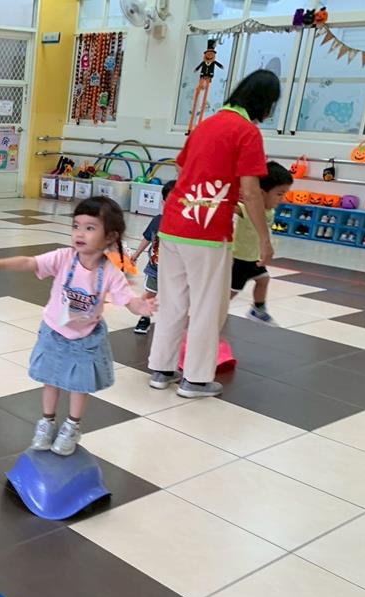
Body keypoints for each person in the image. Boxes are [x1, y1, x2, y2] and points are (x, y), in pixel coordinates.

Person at [0, 197, 156, 456]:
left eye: (90, 228)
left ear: (110, 236)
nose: (79, 233)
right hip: (54, 330)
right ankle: (46, 422)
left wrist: (141, 306)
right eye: (76, 226)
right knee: (50, 379)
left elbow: (128, 300)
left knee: (79, 385)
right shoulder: (64, 257)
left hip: (86, 338)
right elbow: (30, 263)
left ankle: (72, 426)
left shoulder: (110, 272)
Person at [148, 69, 279, 399]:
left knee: (172, 301)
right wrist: (264, 239)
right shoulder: (247, 132)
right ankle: (195, 379)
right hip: (207, 233)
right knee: (208, 306)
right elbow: (252, 192)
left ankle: (161, 370)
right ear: (265, 103)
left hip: (173, 223)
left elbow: (181, 167)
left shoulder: (207, 124)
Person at [231, 161, 292, 325]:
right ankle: (213, 311)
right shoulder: (245, 208)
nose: (282, 198)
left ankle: (258, 310)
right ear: (261, 193)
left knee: (263, 279)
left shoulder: (269, 210)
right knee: (231, 292)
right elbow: (230, 206)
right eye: (279, 194)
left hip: (253, 258)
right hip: (239, 259)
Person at [129, 180, 176, 335]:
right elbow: (147, 238)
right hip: (155, 268)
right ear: (163, 203)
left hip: (176, 271)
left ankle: (173, 321)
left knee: (175, 297)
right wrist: (136, 254)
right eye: (171, 201)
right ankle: (144, 317)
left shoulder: (186, 226)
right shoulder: (157, 221)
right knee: (149, 293)